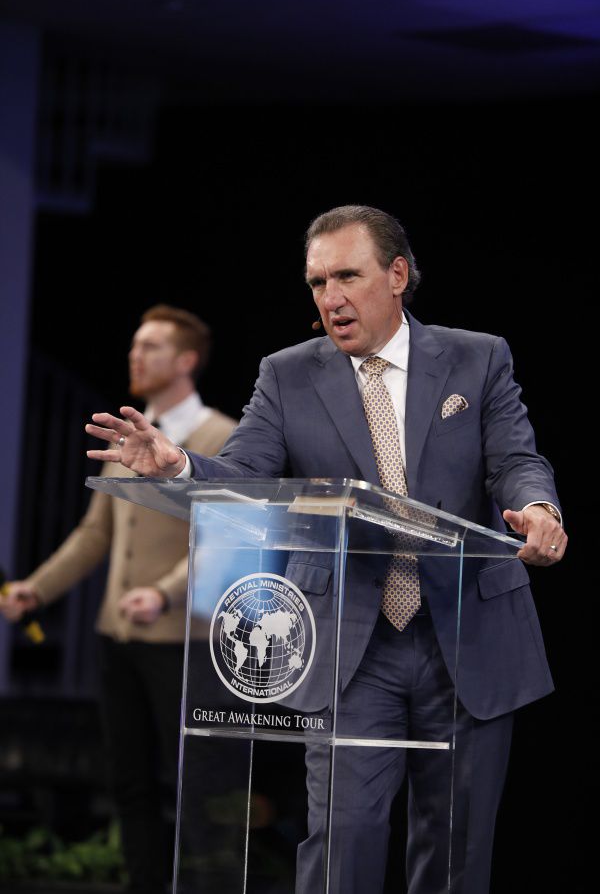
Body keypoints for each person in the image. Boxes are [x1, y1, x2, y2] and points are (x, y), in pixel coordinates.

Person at [84, 207, 567, 894]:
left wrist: (540, 509)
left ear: (397, 275)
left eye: (347, 276)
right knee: (343, 841)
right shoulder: (287, 375)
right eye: (317, 282)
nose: (330, 297)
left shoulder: (478, 357)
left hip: (470, 633)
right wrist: (181, 467)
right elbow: (246, 474)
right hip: (351, 645)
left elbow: (515, 460)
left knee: (455, 853)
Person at [0, 304, 237, 894]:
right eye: (134, 345)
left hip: (183, 640)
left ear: (185, 361)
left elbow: (228, 537)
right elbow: (95, 533)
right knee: (129, 782)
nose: (136, 355)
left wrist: (164, 593)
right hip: (118, 636)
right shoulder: (128, 437)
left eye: (151, 346)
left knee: (195, 784)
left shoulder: (220, 436)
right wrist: (37, 588)